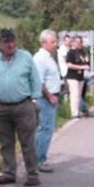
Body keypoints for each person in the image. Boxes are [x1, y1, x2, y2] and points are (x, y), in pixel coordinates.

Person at [0, 28, 42, 186]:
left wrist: (35, 98)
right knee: (5, 143)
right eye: (6, 41)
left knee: (27, 142)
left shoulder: (25, 57)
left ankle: (32, 174)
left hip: (23, 105)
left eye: (12, 41)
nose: (10, 44)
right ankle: (9, 172)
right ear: (0, 44)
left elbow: (35, 79)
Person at [33, 29, 61, 173]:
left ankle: (36, 159)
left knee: (44, 128)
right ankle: (39, 160)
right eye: (53, 42)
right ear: (44, 43)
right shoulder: (40, 58)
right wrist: (50, 96)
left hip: (50, 96)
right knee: (46, 129)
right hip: (46, 98)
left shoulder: (48, 57)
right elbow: (39, 81)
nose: (56, 44)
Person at [65, 36, 90, 120]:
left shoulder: (82, 53)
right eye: (78, 42)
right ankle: (74, 113)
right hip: (72, 76)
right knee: (74, 94)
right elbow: (69, 65)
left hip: (80, 76)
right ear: (74, 43)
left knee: (79, 95)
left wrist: (86, 64)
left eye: (81, 42)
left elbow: (86, 62)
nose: (80, 44)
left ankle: (78, 111)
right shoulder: (71, 52)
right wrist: (81, 67)